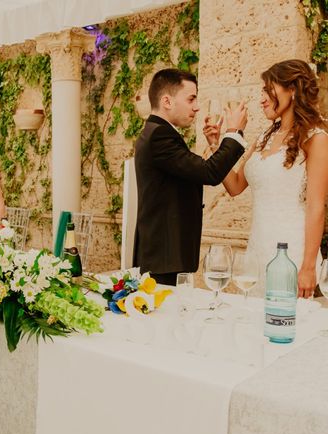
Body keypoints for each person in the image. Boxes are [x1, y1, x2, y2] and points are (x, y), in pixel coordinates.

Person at [219, 59, 328, 298]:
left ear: (292, 89)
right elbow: (235, 186)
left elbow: (316, 206)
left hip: (292, 253)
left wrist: (308, 266)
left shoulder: (316, 138)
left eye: (269, 90)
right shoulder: (263, 138)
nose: (262, 99)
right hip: (258, 249)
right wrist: (217, 143)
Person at [133, 68, 248, 286]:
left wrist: (215, 144)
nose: (196, 107)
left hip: (165, 256)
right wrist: (234, 132)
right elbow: (209, 173)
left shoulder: (157, 131)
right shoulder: (160, 135)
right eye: (191, 99)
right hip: (165, 258)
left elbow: (194, 170)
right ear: (167, 101)